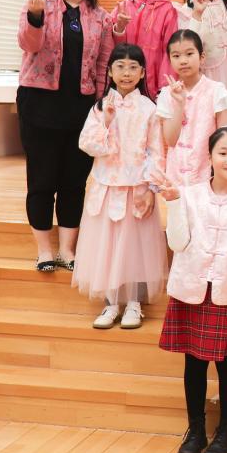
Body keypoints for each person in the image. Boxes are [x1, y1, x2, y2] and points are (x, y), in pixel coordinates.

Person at [154, 127, 227, 453]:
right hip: (192, 289)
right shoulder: (188, 195)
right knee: (194, 362)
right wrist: (174, 204)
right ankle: (196, 429)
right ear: (210, 157)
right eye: (223, 152)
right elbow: (177, 243)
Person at [17, 0, 113, 273]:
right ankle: (44, 250)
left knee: (74, 181)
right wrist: (35, 17)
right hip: (39, 104)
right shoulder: (39, 4)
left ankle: (67, 250)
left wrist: (99, 105)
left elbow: (103, 64)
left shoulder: (100, 17)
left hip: (81, 108)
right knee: (41, 179)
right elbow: (29, 44)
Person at [73, 43, 166, 330]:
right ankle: (111, 303)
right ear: (110, 72)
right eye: (120, 67)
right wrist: (106, 123)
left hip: (136, 190)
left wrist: (151, 189)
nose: (127, 73)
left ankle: (134, 304)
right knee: (108, 247)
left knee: (135, 247)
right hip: (106, 188)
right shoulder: (100, 107)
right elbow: (87, 144)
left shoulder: (150, 109)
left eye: (133, 67)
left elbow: (157, 151)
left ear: (142, 73)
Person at [157, 30, 227, 186]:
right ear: (170, 60)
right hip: (175, 178)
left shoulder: (217, 91)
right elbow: (171, 140)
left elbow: (225, 140)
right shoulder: (166, 94)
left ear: (202, 57)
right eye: (176, 56)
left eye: (189, 54)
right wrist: (179, 105)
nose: (183, 61)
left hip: (208, 177)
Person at [112, 0, 178, 102]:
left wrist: (164, 89)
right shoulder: (122, 7)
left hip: (153, 85)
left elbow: (170, 51)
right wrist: (119, 29)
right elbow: (111, 48)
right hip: (123, 82)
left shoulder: (168, 10)